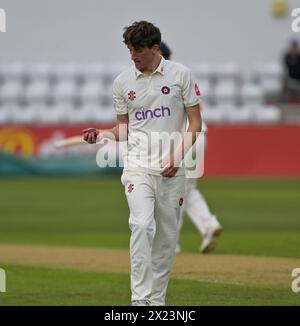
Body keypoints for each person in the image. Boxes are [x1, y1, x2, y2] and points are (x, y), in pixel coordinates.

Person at [83, 21, 202, 306]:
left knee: (165, 240)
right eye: (129, 50)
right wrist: (101, 135)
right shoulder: (122, 82)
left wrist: (177, 157)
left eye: (138, 50)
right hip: (137, 165)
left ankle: (156, 301)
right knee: (141, 225)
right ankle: (139, 300)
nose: (133, 56)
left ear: (155, 48)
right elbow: (123, 130)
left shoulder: (180, 75)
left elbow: (195, 122)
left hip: (173, 169)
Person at [159, 41, 222, 254]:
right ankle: (208, 224)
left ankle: (171, 243)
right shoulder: (183, 74)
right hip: (198, 134)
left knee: (171, 189)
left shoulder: (159, 79)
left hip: (182, 138)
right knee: (187, 190)